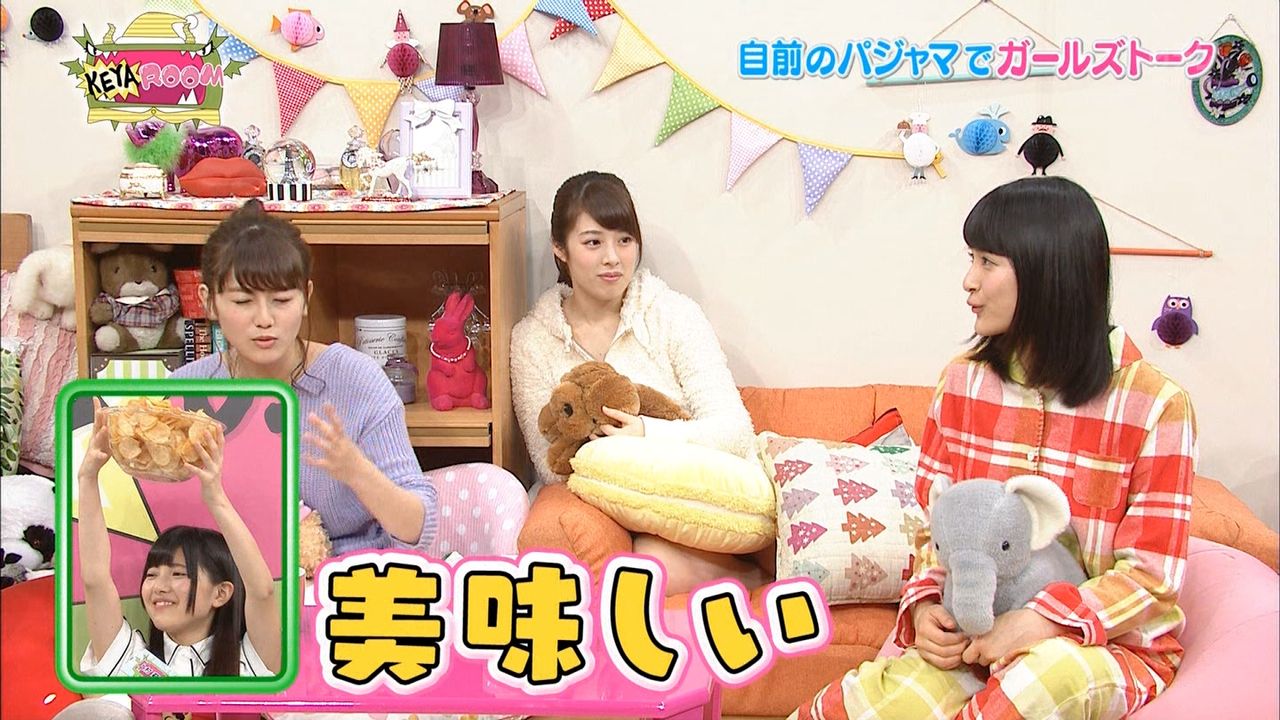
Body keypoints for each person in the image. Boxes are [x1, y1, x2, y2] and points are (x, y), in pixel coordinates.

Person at [793, 176, 1198, 720]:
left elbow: (1152, 576)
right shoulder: (962, 384)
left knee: (1041, 681)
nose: (969, 281)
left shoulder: (1155, 406)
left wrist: (1043, 621)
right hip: (975, 637)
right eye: (971, 259)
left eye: (988, 262)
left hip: (1103, 649)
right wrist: (926, 607)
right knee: (883, 700)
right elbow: (935, 531)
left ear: (1048, 271)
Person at [172, 199, 517, 555]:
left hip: (346, 571)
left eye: (281, 300)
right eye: (242, 302)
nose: (264, 319)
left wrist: (356, 470)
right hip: (224, 574)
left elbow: (417, 527)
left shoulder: (356, 379)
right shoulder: (185, 393)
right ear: (208, 301)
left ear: (306, 297)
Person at [511, 171, 761, 594]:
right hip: (613, 505)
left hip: (700, 497)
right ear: (560, 249)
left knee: (653, 564)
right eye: (593, 242)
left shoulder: (673, 315)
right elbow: (549, 463)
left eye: (624, 240)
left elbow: (735, 431)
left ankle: (759, 579)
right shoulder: (533, 339)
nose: (613, 258)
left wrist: (645, 433)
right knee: (645, 565)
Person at [78, 410, 279, 676]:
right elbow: (95, 579)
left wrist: (215, 498)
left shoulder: (248, 663)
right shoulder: (132, 661)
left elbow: (262, 591)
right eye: (152, 575)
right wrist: (87, 477)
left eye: (178, 574)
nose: (159, 587)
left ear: (221, 593)